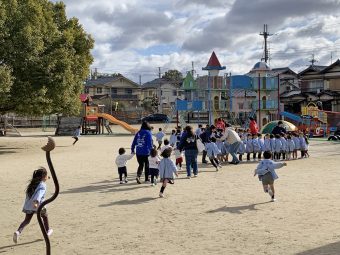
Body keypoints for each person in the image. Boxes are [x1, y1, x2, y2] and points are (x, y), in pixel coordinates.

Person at [13, 167, 53, 244]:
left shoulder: (33, 184)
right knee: (45, 216)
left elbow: (46, 178)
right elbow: (39, 194)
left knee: (27, 220)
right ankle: (47, 231)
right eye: (46, 176)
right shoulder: (42, 185)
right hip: (38, 205)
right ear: (43, 177)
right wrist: (36, 202)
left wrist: (48, 177)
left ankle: (18, 232)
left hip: (28, 206)